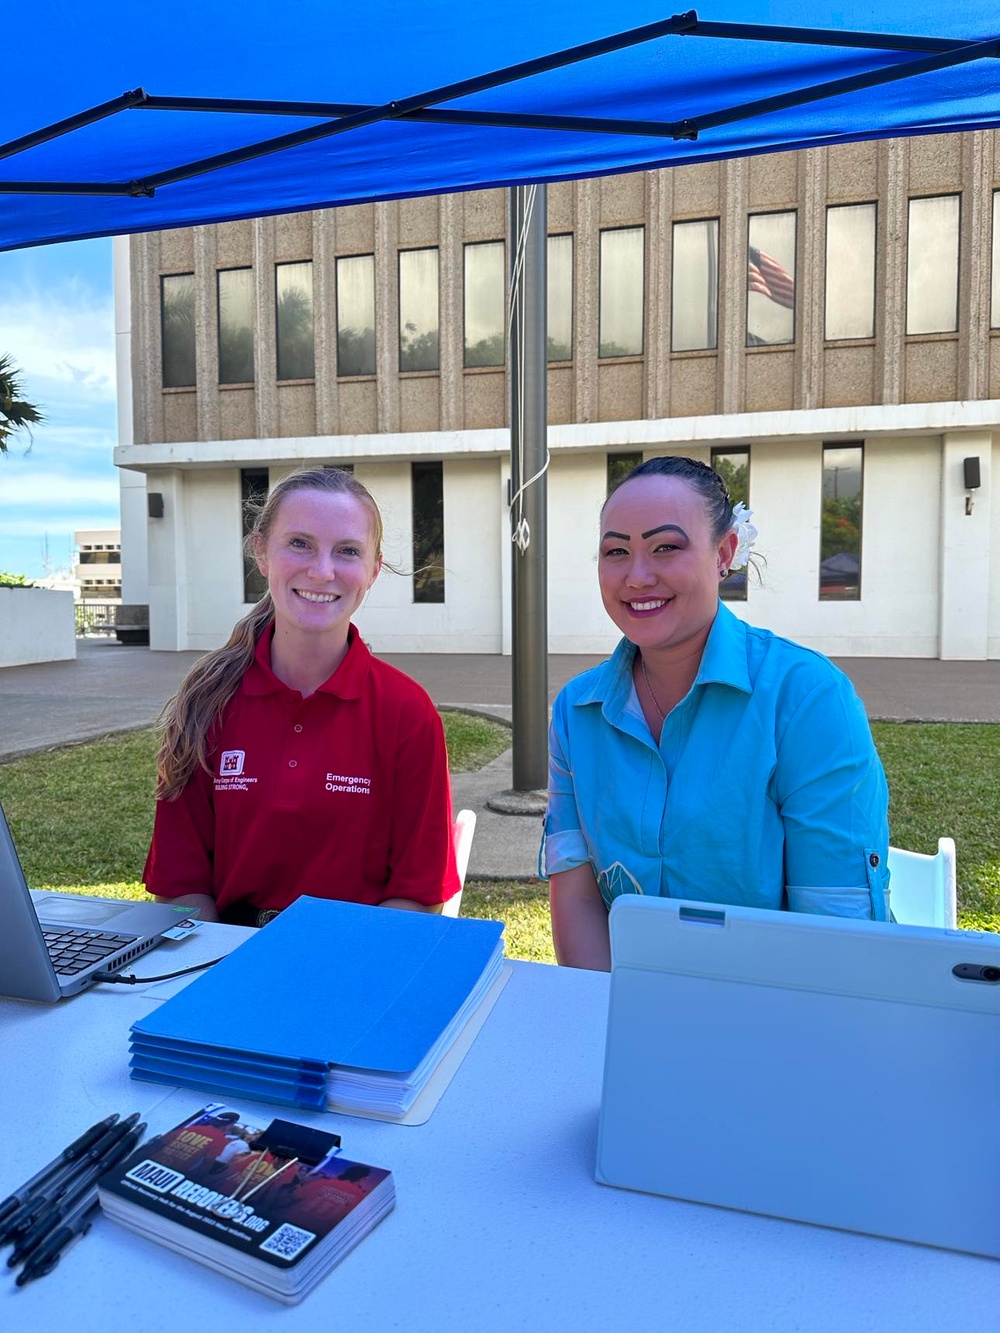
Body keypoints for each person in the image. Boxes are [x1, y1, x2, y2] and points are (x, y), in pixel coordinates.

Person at [544, 455, 890, 971]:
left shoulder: (807, 700)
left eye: (666, 547)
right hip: (627, 1014)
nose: (637, 576)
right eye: (616, 551)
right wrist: (609, 1018)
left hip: (780, 1020)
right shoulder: (577, 710)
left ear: (724, 551)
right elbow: (577, 898)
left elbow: (836, 935)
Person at [143, 466, 460, 925]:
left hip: (350, 966)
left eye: (347, 551)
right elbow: (181, 887)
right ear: (261, 552)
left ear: (373, 569)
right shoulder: (208, 701)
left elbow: (419, 895)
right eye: (299, 543)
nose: (323, 570)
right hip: (226, 963)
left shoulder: (407, 714)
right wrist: (219, 969)